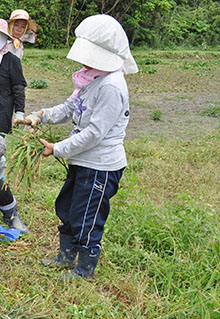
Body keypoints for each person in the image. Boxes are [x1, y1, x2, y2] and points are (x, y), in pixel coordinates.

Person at [26, 14, 138, 279]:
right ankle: (65, 256)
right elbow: (69, 108)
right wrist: (41, 114)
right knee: (66, 207)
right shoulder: (90, 78)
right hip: (82, 161)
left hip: (100, 165)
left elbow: (95, 133)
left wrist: (57, 148)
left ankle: (85, 268)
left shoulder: (111, 86)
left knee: (87, 216)